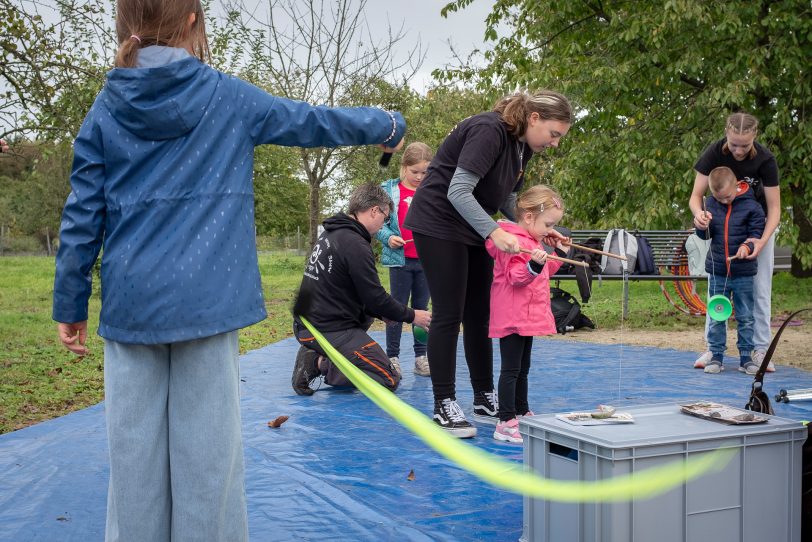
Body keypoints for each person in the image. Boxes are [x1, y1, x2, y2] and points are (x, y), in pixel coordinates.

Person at [51, 1, 406, 540]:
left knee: (133, 463)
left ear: (125, 21)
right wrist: (386, 123)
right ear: (193, 20)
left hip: (132, 303)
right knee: (209, 462)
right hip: (206, 302)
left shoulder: (105, 108)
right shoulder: (228, 97)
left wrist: (69, 304)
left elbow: (81, 214)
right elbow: (312, 121)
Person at [403, 90, 573, 438]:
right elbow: (458, 191)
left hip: (475, 227)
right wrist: (495, 232)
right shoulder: (489, 130)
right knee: (450, 312)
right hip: (438, 223)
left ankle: (483, 397)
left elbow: (507, 198)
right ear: (534, 118)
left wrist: (539, 230)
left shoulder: (522, 146)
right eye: (554, 134)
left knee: (479, 313)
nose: (555, 143)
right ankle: (444, 403)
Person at [291, 182, 432, 395]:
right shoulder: (354, 243)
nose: (383, 225)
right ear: (375, 210)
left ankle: (325, 355)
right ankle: (318, 363)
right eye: (385, 219)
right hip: (323, 328)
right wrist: (413, 316)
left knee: (368, 317)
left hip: (308, 322)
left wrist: (379, 312)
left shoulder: (333, 233)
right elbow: (375, 297)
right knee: (387, 378)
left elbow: (354, 291)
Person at [690, 112, 780, 372]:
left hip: (756, 227)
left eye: (745, 145)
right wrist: (700, 216)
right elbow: (696, 196)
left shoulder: (765, 160)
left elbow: (774, 208)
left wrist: (761, 242)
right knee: (716, 288)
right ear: (726, 134)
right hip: (723, 227)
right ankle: (712, 348)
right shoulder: (714, 153)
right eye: (734, 144)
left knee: (759, 288)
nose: (739, 151)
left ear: (755, 137)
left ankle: (760, 348)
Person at [486, 185, 568, 443]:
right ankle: (505, 421)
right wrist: (534, 262)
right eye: (548, 224)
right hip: (512, 315)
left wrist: (559, 253)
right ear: (530, 217)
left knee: (523, 369)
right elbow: (516, 277)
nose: (550, 230)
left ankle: (521, 411)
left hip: (527, 316)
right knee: (510, 370)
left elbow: (544, 272)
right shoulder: (512, 242)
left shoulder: (534, 241)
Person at [693, 166, 765, 375]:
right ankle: (716, 355)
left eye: (727, 197)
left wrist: (747, 247)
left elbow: (756, 234)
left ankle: (745, 357)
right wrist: (702, 224)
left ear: (738, 185)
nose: (724, 201)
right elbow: (705, 236)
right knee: (717, 316)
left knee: (745, 316)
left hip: (743, 272)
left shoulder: (752, 206)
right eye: (719, 198)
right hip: (718, 271)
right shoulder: (711, 204)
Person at [376, 142, 433, 378]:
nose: (420, 177)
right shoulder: (389, 191)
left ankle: (421, 357)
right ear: (403, 168)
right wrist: (389, 238)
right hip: (400, 262)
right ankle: (393, 357)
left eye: (425, 172)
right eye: (415, 172)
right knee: (397, 309)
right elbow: (378, 224)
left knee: (422, 310)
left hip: (427, 262)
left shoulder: (433, 191)